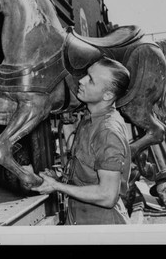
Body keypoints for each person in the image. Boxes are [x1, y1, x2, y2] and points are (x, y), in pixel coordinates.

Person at [32, 57, 132, 225]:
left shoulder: (107, 131)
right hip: (80, 217)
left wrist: (58, 187)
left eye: (91, 80)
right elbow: (84, 158)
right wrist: (58, 179)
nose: (82, 81)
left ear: (107, 95)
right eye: (87, 74)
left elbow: (108, 196)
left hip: (101, 226)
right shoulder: (91, 118)